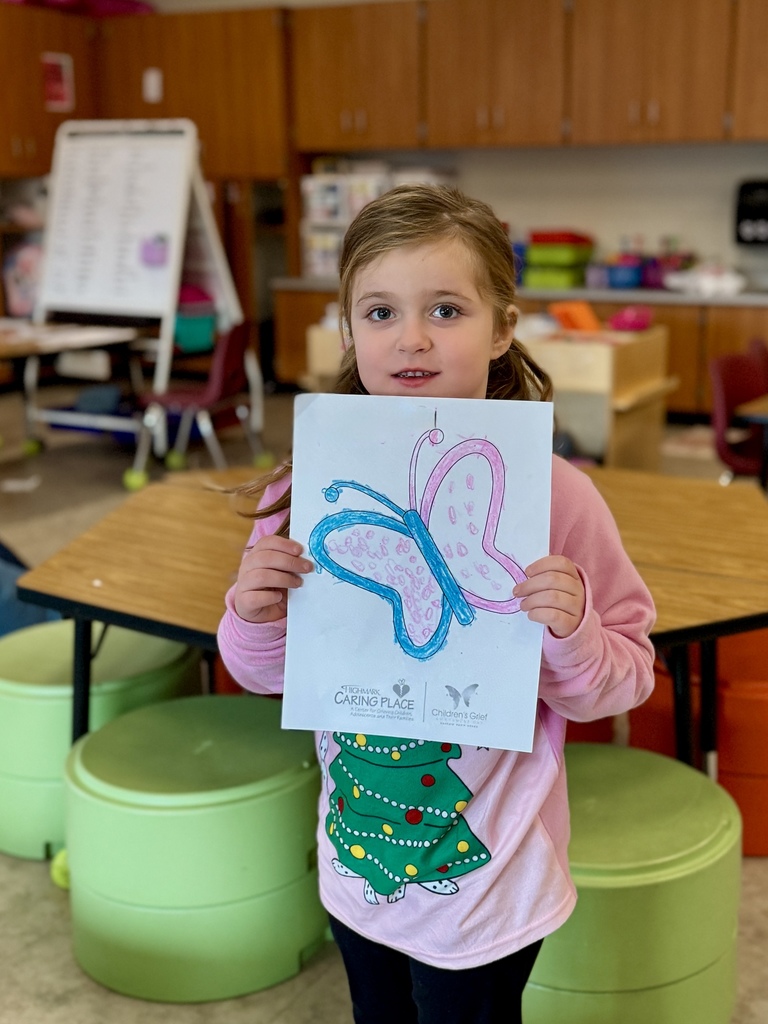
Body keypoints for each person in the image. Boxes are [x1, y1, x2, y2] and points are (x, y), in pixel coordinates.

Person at [217, 184, 656, 1024]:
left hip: (488, 886)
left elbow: (625, 680)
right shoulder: (311, 489)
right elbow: (261, 675)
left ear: (501, 328)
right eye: (379, 312)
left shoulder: (556, 496)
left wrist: (572, 633)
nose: (410, 337)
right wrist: (253, 611)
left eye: (446, 309)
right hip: (358, 865)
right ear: (347, 332)